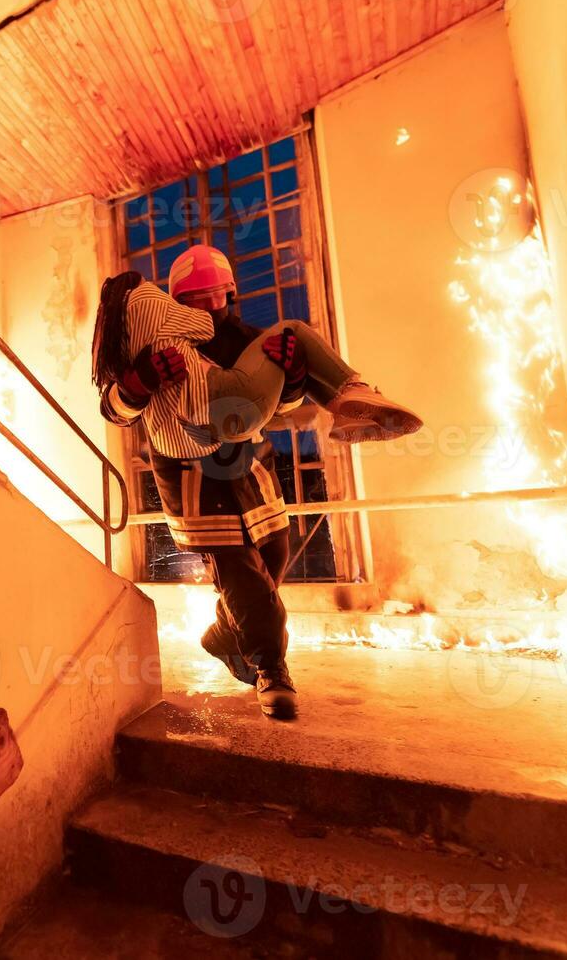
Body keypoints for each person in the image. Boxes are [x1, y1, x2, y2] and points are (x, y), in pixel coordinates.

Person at [95, 245, 421, 720]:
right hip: (194, 479)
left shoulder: (249, 340)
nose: (207, 309)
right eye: (195, 300)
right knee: (241, 572)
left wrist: (289, 381)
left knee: (273, 556)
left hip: (251, 468)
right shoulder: (156, 341)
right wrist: (137, 383)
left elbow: (278, 409)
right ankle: (271, 667)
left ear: (230, 293)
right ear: (176, 302)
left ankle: (227, 633)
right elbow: (114, 409)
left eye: (215, 298)